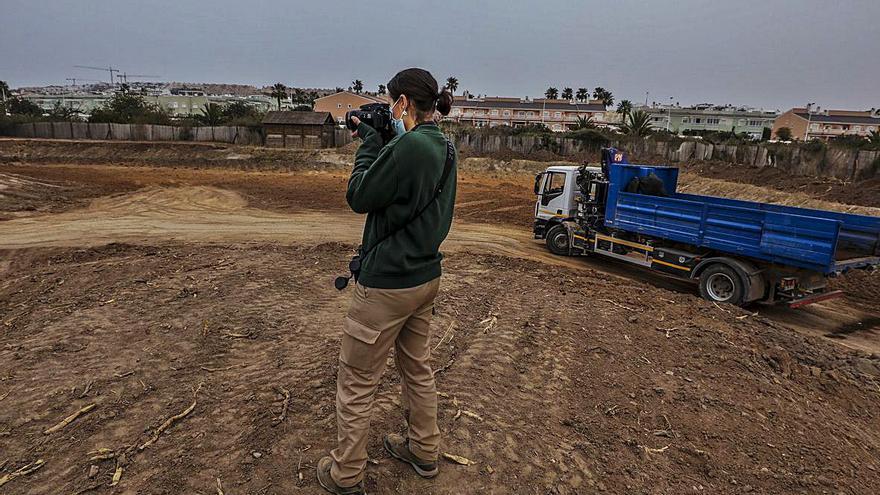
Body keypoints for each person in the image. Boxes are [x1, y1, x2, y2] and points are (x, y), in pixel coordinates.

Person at [316, 68, 457, 495]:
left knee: (357, 380)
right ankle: (424, 451)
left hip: (386, 287)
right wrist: (387, 143)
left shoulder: (407, 147)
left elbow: (359, 196)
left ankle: (345, 474)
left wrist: (369, 145)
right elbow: (405, 182)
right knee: (417, 370)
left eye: (390, 100)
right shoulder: (444, 147)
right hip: (424, 279)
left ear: (403, 104)